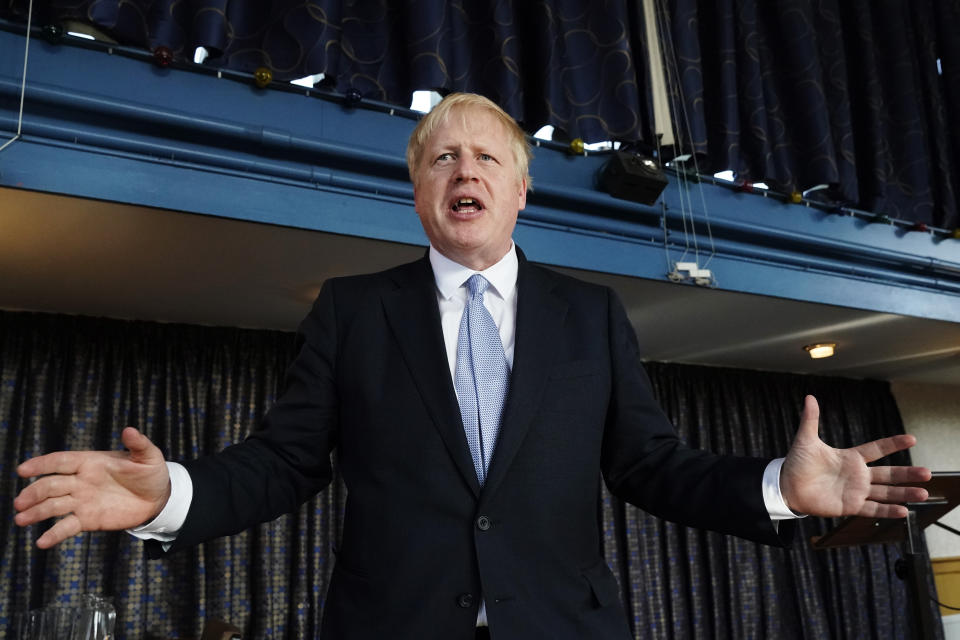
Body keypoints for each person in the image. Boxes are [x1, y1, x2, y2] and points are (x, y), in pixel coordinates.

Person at [14, 93, 930, 639]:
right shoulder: (353, 311)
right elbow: (282, 462)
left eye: (487, 155)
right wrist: (168, 492)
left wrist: (777, 485)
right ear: (418, 190)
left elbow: (653, 464)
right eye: (442, 154)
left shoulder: (591, 317)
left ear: (519, 191)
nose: (466, 167)